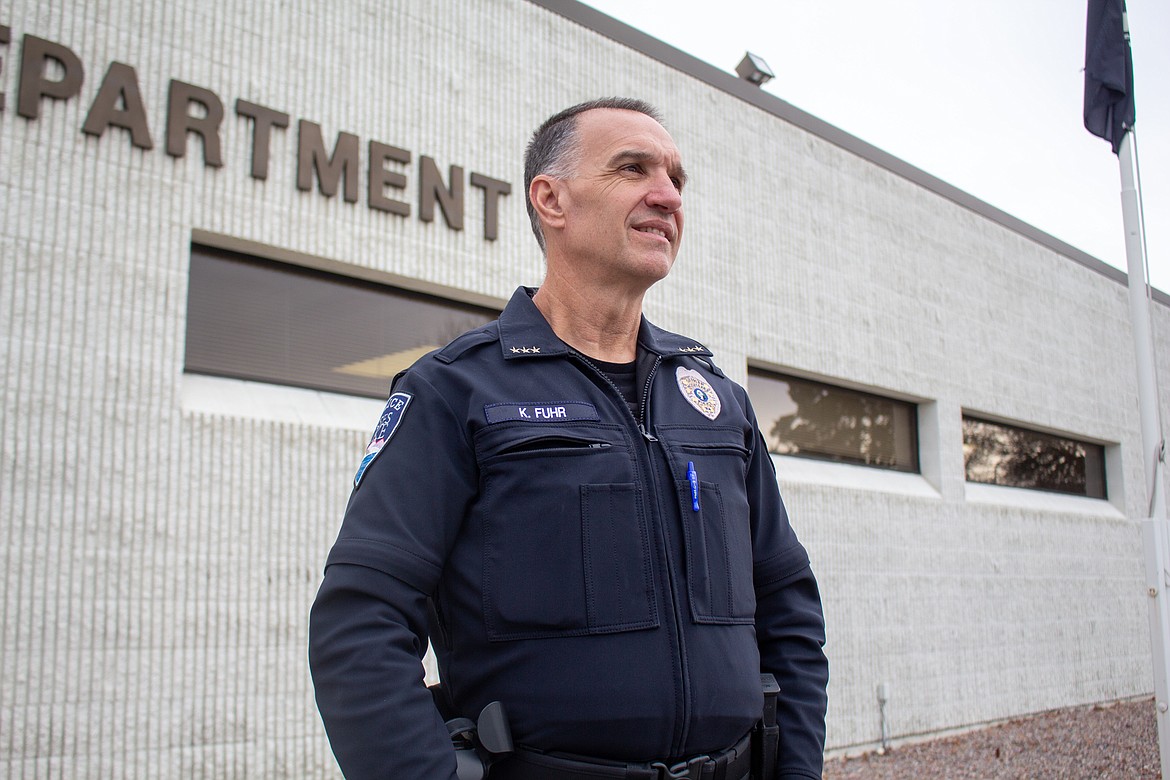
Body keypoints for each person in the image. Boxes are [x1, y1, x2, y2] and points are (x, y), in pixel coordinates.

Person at [309, 97, 829, 779]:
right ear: (551, 200)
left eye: (676, 177)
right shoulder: (457, 391)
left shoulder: (713, 401)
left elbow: (788, 603)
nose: (667, 195)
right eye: (633, 169)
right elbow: (360, 624)